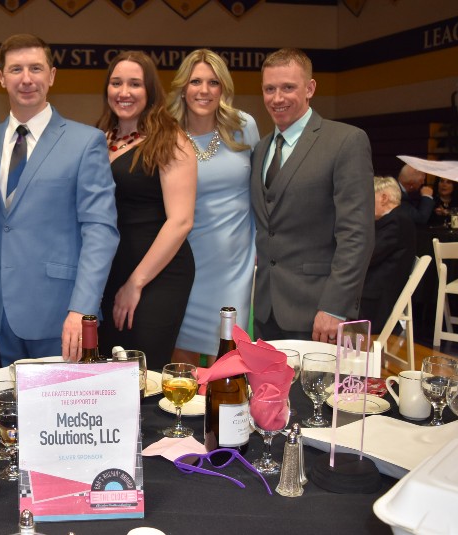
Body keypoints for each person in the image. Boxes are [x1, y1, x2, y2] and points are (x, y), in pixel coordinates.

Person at [0, 34, 119, 366]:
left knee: (61, 417)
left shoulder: (86, 142)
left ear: (52, 75)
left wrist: (83, 309)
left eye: (35, 68)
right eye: (16, 69)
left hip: (61, 317)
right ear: (1, 78)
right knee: (3, 417)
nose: (26, 79)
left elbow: (100, 231)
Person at [251, 48, 374, 343]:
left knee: (316, 392)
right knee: (269, 391)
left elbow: (357, 234)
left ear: (310, 89)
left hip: (320, 313)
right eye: (270, 89)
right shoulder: (260, 149)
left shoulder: (345, 141)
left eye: (288, 87)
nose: (277, 98)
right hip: (265, 311)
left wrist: (335, 307)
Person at [94, 51, 196, 369]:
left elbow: (181, 221)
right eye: (116, 83)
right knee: (109, 370)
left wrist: (135, 283)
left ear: (150, 90)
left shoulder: (171, 140)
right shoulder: (100, 138)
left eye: (135, 84)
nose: (124, 92)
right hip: (109, 272)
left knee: (144, 371)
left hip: (157, 276)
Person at [166, 49, 260, 362]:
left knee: (229, 364)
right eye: (195, 81)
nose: (204, 90)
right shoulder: (166, 134)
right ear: (182, 87)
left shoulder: (244, 126)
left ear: (223, 89)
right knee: (182, 370)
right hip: (185, 264)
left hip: (234, 266)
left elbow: (260, 192)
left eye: (213, 82)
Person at [360, 176, 416, 334]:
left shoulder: (396, 221)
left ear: (384, 198)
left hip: (374, 301)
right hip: (374, 294)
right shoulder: (396, 219)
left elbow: (367, 257)